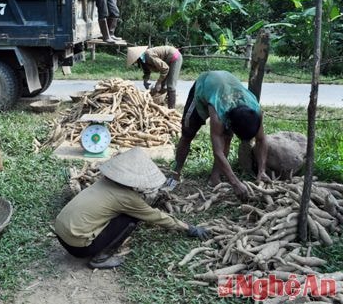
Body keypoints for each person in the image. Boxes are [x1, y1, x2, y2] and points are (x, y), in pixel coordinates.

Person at [54, 148, 210, 269]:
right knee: (131, 218)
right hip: (78, 248)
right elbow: (156, 216)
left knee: (118, 214)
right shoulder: (127, 198)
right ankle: (100, 258)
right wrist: (189, 228)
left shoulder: (104, 181)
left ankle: (95, 246)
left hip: (61, 236)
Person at [164, 71, 269, 200]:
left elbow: (262, 140)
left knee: (226, 138)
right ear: (230, 123)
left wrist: (262, 170)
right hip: (205, 85)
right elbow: (217, 151)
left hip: (227, 88)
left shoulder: (255, 111)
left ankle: (215, 178)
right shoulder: (218, 114)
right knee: (187, 134)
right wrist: (235, 183)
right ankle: (175, 173)